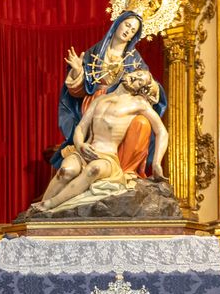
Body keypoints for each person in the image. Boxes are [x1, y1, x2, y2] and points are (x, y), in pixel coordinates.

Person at [35, 69, 168, 213]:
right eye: (137, 74)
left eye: (140, 81)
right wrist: (80, 145)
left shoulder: (138, 103)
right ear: (127, 73)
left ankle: (50, 204)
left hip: (107, 157)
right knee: (66, 171)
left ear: (140, 89)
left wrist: (156, 163)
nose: (135, 78)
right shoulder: (100, 99)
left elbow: (162, 131)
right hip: (85, 151)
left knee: (94, 169)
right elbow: (81, 127)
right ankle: (37, 211)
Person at [56, 10, 167, 178]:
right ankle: (90, 160)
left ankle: (125, 171)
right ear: (117, 24)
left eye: (132, 30)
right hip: (96, 103)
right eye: (127, 25)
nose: (127, 31)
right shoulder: (95, 53)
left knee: (142, 123)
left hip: (123, 106)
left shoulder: (134, 59)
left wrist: (152, 87)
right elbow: (76, 92)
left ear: (133, 36)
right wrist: (78, 71)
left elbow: (148, 86)